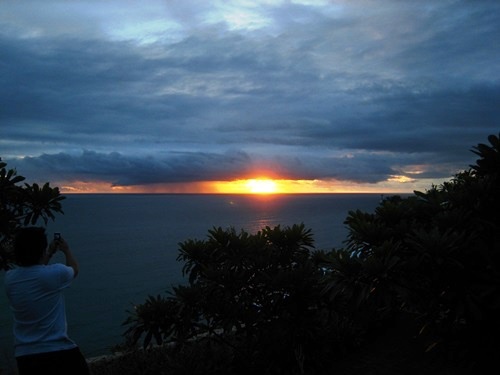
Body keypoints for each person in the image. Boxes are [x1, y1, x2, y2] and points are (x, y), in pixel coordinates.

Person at [4, 227, 89, 375]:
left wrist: (49, 253)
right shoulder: (55, 274)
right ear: (41, 250)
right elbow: (74, 269)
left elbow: (34, 270)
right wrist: (66, 250)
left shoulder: (10, 279)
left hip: (25, 356)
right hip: (58, 351)